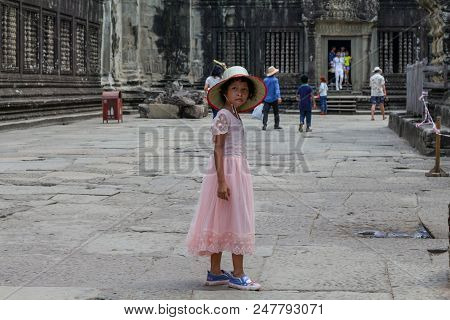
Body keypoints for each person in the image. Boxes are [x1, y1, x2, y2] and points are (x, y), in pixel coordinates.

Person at [187, 66, 267, 291]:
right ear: (225, 93)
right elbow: (218, 149)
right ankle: (238, 274)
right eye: (234, 89)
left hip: (237, 170)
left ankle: (215, 273)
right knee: (236, 218)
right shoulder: (223, 115)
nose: (239, 93)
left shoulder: (234, 115)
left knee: (223, 219)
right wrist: (222, 181)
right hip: (226, 172)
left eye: (243, 90)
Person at [262, 66, 282, 130]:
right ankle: (276, 125)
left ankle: (264, 125)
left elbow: (263, 89)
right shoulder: (275, 80)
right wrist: (278, 97)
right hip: (274, 99)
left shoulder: (265, 80)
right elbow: (277, 89)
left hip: (266, 99)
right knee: (276, 112)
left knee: (265, 113)